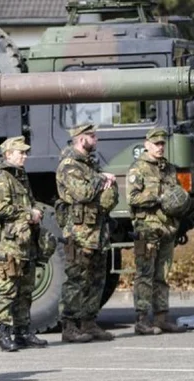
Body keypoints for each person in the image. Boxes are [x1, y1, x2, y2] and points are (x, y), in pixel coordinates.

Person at [0, 136, 50, 352]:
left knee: (25, 289)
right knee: (7, 290)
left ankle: (23, 331)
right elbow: (0, 209)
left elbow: (28, 202)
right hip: (10, 244)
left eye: (24, 152)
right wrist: (28, 213)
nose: (24, 156)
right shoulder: (2, 178)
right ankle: (3, 333)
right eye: (20, 152)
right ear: (8, 155)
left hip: (26, 242)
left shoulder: (20, 177)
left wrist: (35, 210)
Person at [55, 124, 116, 343]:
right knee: (77, 278)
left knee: (96, 277)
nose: (96, 139)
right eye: (92, 136)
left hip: (97, 230)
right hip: (79, 233)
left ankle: (89, 322)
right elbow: (83, 193)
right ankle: (70, 326)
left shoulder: (89, 165)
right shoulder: (69, 166)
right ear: (81, 139)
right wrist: (103, 180)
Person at [127, 127, 188, 335]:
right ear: (147, 144)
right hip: (147, 229)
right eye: (156, 144)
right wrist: (158, 196)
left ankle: (162, 318)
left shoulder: (169, 169)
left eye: (162, 143)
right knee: (145, 274)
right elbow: (133, 198)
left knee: (162, 275)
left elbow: (178, 194)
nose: (160, 147)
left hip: (167, 228)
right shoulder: (138, 169)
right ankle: (142, 320)